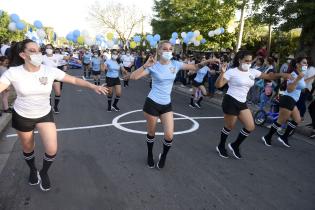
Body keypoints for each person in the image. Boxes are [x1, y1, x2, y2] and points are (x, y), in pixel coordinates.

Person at [0, 39, 108, 191]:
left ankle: (43, 172)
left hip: (44, 114)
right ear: (23, 55)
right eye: (32, 50)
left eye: (39, 50)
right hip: (22, 115)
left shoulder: (49, 70)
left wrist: (92, 86)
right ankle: (32, 169)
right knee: (27, 147)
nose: (38, 53)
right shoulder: (13, 72)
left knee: (52, 149)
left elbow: (74, 80)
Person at [129, 40, 218, 169]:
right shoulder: (153, 65)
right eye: (165, 49)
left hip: (166, 104)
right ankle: (149, 154)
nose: (168, 51)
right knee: (151, 133)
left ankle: (163, 156)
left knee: (169, 135)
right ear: (159, 51)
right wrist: (145, 65)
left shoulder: (175, 64)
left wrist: (208, 62)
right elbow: (133, 77)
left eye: (170, 49)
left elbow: (194, 67)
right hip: (152, 103)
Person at [215, 51, 290, 159]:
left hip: (242, 102)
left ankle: (235, 145)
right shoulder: (232, 72)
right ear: (240, 60)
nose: (249, 63)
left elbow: (269, 76)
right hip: (230, 100)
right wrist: (222, 73)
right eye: (246, 61)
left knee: (250, 126)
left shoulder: (253, 72)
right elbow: (219, 85)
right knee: (229, 126)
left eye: (250, 61)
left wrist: (282, 74)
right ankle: (221, 146)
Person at [261, 57, 307, 148]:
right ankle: (267, 137)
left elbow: (301, 86)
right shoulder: (294, 75)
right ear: (298, 64)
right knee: (280, 121)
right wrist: (298, 79)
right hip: (288, 99)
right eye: (304, 63)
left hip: (292, 100)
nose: (306, 65)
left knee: (297, 119)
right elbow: (289, 89)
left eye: (306, 63)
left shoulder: (301, 74)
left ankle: (284, 137)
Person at [42, 44, 70, 114]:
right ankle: (49, 107)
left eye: (50, 48)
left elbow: (67, 57)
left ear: (53, 49)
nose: (49, 49)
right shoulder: (42, 57)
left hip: (55, 76)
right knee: (47, 93)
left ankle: (55, 107)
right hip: (46, 77)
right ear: (45, 49)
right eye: (47, 48)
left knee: (58, 92)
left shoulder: (57, 56)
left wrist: (72, 56)